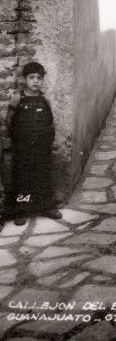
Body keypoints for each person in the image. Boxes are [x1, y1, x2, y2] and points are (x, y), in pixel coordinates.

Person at [4, 61, 62, 226]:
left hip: (41, 147)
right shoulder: (17, 99)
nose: (35, 81)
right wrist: (20, 137)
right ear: (25, 79)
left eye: (39, 78)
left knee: (43, 176)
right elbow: (9, 121)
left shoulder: (45, 100)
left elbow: (49, 121)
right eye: (32, 77)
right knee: (23, 178)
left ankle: (46, 206)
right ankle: (22, 209)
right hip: (23, 148)